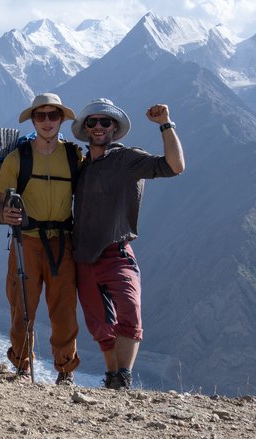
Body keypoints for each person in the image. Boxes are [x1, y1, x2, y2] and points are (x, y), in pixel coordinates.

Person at [71, 98, 185, 389]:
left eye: (105, 122)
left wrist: (165, 125)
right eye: (93, 122)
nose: (98, 127)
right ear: (85, 128)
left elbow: (174, 166)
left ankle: (124, 375)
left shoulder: (127, 159)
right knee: (98, 322)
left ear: (115, 128)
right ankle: (113, 377)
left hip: (117, 251)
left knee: (130, 311)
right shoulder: (81, 166)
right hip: (83, 255)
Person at [0, 93, 82, 385]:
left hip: (62, 240)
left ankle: (65, 371)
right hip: (26, 240)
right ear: (33, 119)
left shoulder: (74, 156)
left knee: (64, 308)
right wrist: (4, 213)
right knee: (22, 305)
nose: (47, 121)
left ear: (61, 120)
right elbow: (0, 200)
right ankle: (22, 367)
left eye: (52, 116)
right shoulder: (16, 159)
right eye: (41, 116)